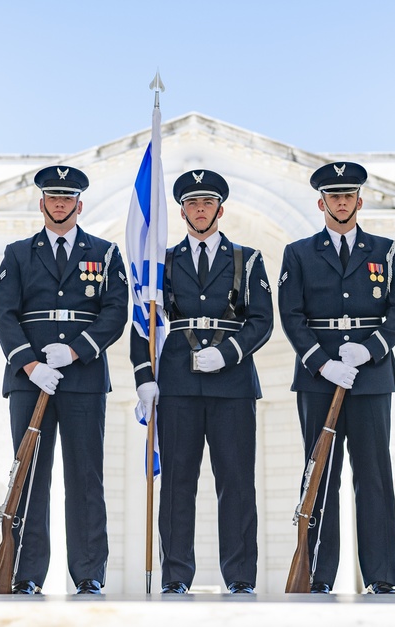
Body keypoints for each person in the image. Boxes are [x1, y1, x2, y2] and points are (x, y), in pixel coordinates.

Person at [130, 169, 273, 594]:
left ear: (220, 209)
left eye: (207, 202)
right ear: (181, 211)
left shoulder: (248, 260)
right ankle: (175, 577)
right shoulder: (164, 262)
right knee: (176, 483)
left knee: (237, 483)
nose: (199, 209)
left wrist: (228, 352)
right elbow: (144, 322)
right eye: (192, 203)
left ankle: (241, 577)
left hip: (232, 382)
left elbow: (262, 321)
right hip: (177, 381)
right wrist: (144, 378)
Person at [278, 161, 395, 595]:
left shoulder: (386, 251)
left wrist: (371, 348)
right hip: (320, 379)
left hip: (372, 377)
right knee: (321, 475)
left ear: (359, 200)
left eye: (348, 195)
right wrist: (322, 361)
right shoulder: (298, 253)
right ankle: (318, 576)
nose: (341, 202)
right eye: (333, 196)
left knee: (373, 475)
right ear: (321, 203)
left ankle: (380, 577)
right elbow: (292, 315)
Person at [0, 165, 128, 595]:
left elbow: (115, 312)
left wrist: (74, 350)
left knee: (85, 477)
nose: (59, 203)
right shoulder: (17, 253)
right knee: (31, 475)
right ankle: (27, 574)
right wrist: (31, 365)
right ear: (42, 203)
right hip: (30, 379)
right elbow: (5, 315)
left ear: (79, 204)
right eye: (53, 197)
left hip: (83, 377)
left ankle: (88, 573)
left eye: (67, 198)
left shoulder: (105, 253)